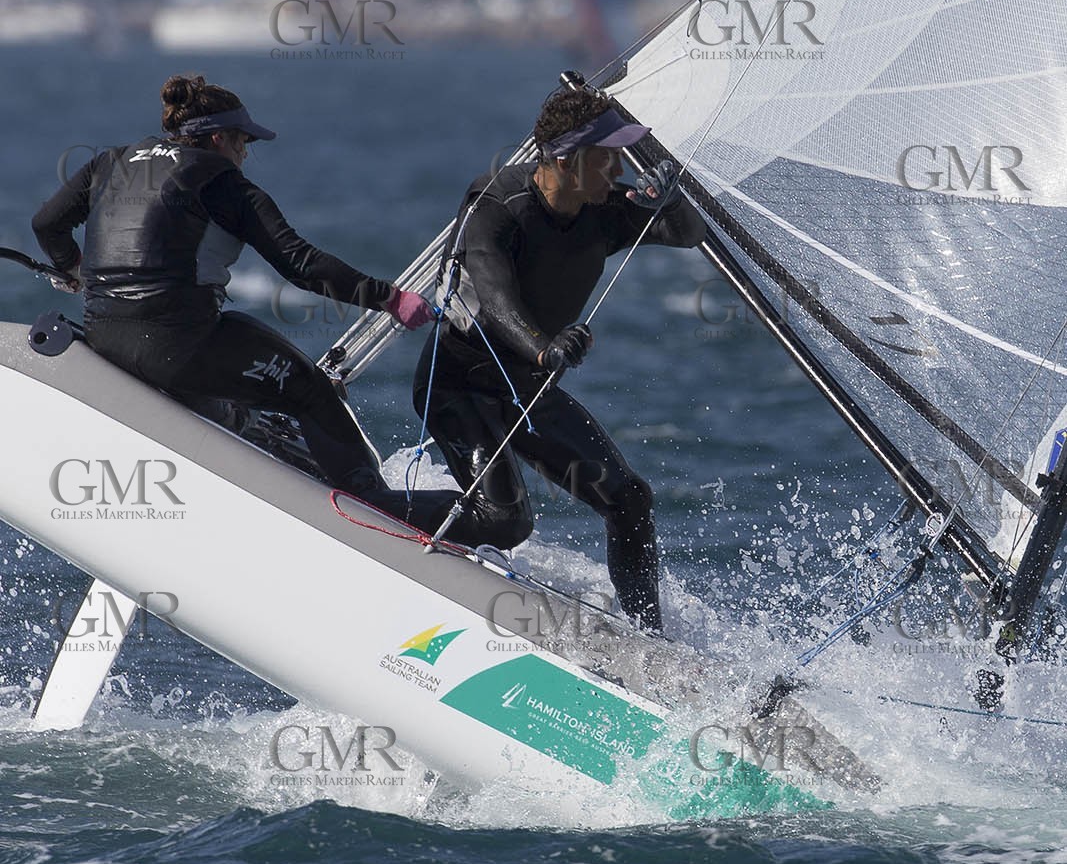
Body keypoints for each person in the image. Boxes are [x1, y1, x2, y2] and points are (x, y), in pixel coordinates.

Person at [31, 73, 456, 529]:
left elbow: (46, 224)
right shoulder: (224, 185)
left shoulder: (110, 163)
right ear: (218, 138)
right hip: (177, 350)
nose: (245, 152)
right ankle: (379, 511)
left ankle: (239, 434)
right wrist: (389, 298)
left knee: (232, 360)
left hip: (102, 338)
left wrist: (74, 270)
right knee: (309, 389)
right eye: (242, 141)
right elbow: (301, 264)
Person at [413, 83, 705, 631]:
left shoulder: (603, 211)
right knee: (504, 522)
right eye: (608, 157)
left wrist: (672, 199)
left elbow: (689, 235)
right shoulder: (498, 205)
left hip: (528, 388)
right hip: (460, 384)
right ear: (568, 160)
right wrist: (545, 347)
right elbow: (496, 297)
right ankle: (375, 516)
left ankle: (650, 637)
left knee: (629, 499)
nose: (618, 171)